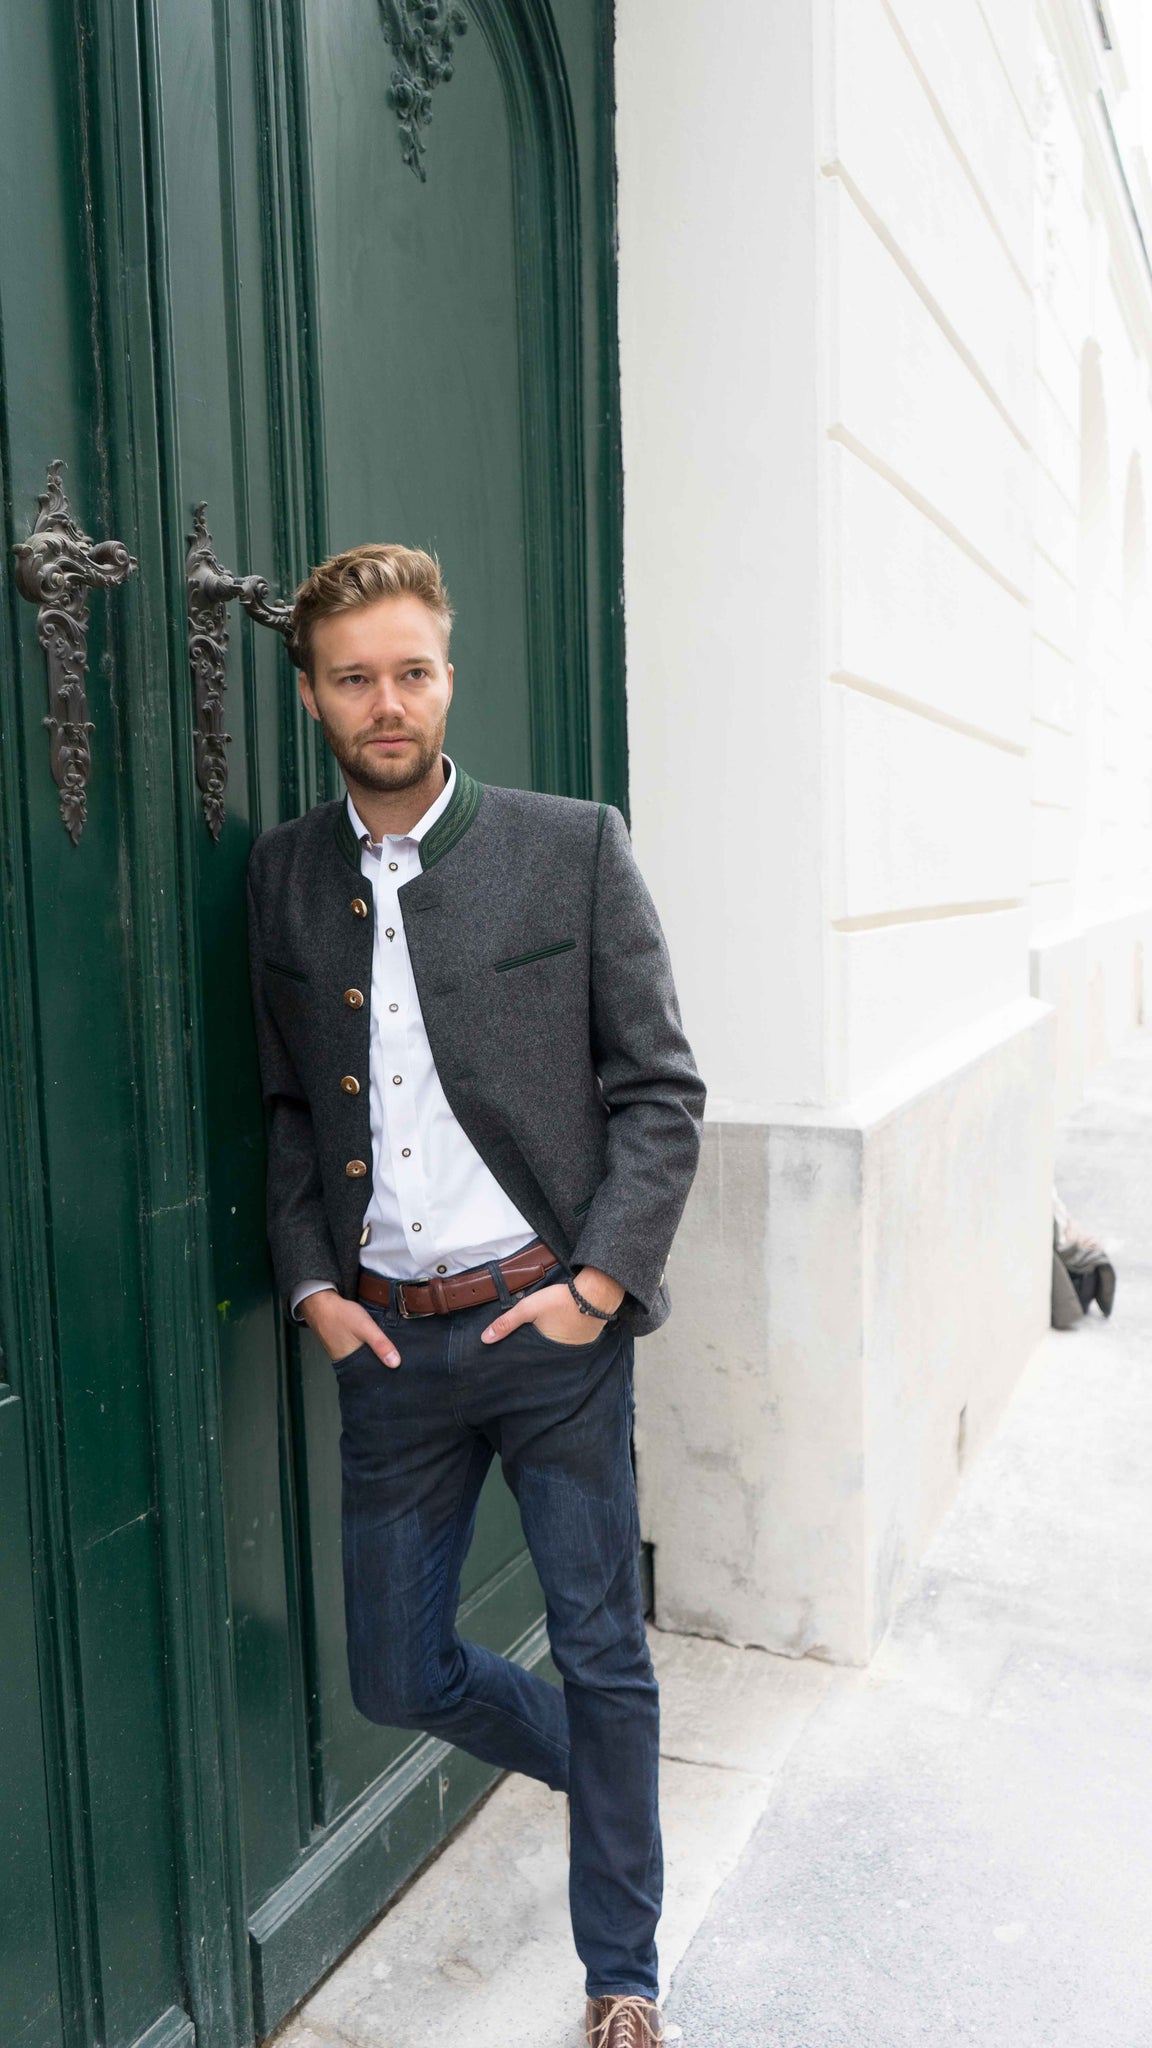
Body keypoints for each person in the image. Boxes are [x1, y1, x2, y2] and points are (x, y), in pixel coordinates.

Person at [246, 543, 705, 2046]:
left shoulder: (570, 847)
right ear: (310, 693)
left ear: (451, 673)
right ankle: (609, 1768)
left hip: (546, 1330)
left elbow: (660, 1091)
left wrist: (598, 1285)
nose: (390, 702)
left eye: (413, 670)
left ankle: (623, 1972)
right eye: (356, 678)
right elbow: (290, 1113)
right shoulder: (284, 877)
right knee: (399, 1673)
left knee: (599, 1641)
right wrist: (313, 1285)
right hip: (387, 1344)